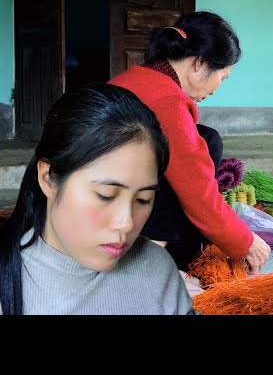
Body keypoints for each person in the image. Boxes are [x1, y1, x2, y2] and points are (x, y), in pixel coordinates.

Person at [0, 83, 194, 315]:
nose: (126, 223)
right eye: (106, 196)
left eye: (143, 199)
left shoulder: (157, 270)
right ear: (48, 179)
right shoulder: (9, 283)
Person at [109, 11, 271, 273]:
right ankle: (149, 261)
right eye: (223, 77)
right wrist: (246, 241)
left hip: (116, 191)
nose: (217, 88)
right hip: (112, 210)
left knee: (205, 139)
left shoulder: (141, 77)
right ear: (199, 63)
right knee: (194, 165)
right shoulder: (166, 101)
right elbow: (197, 192)